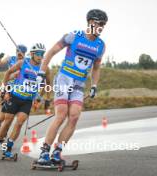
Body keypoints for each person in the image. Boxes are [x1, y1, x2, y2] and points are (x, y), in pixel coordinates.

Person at [36, 9, 108, 165]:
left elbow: (96, 68)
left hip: (79, 84)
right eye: (99, 24)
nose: (102, 27)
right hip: (64, 79)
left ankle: (57, 152)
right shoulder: (74, 36)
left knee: (74, 117)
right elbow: (50, 52)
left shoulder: (100, 46)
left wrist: (94, 85)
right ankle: (44, 152)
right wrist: (41, 72)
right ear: (90, 22)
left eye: (104, 25)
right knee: (61, 115)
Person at [0, 43, 49, 159]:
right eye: (38, 54)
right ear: (32, 54)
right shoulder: (23, 63)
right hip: (14, 97)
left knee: (20, 122)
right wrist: (5, 90)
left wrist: (39, 98)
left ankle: (8, 149)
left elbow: (46, 84)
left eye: (43, 54)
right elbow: (8, 73)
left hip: (27, 100)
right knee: (7, 122)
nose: (41, 56)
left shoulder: (44, 68)